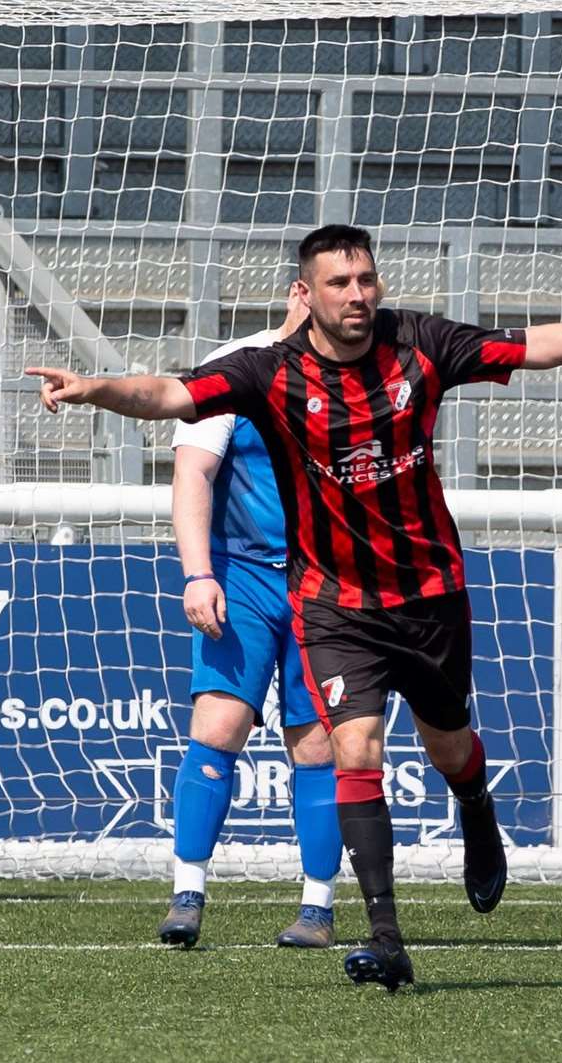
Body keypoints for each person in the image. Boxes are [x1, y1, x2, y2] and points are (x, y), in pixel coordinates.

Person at [30, 224, 562, 989]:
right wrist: (95, 389)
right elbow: (168, 395)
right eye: (338, 283)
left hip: (426, 593)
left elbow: (533, 346)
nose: (356, 294)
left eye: (365, 279)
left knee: (447, 744)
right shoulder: (267, 372)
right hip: (331, 603)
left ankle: (475, 811)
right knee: (351, 750)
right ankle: (382, 934)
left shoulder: (420, 345)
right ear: (308, 294)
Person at [158, 293, 344, 949]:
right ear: (299, 292)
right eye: (324, 287)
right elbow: (193, 472)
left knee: (318, 744)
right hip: (243, 577)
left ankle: (316, 908)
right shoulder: (235, 367)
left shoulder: (358, 377)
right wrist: (198, 572)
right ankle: (187, 894)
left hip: (327, 585)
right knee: (217, 724)